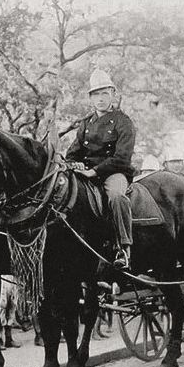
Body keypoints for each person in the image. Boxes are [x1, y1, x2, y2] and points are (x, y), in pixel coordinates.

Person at [66, 69, 136, 270]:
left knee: (116, 197)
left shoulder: (123, 121)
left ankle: (123, 248)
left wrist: (94, 171)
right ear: (90, 98)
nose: (100, 99)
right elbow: (73, 152)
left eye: (105, 93)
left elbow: (122, 157)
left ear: (113, 94)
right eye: (96, 94)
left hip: (113, 172)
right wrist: (74, 164)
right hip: (86, 174)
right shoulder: (86, 123)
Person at [0, 274, 22, 349]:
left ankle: (9, 338)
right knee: (1, 307)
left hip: (13, 279)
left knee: (12, 307)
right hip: (2, 278)